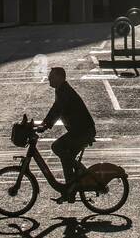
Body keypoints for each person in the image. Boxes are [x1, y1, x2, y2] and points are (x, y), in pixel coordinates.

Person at [37, 67, 96, 203]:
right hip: (80, 131)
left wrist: (46, 124)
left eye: (51, 76)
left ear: (60, 78)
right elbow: (56, 108)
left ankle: (79, 175)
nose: (49, 79)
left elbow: (58, 109)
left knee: (57, 147)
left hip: (83, 132)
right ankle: (70, 189)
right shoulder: (62, 90)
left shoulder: (64, 91)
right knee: (66, 156)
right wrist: (44, 123)